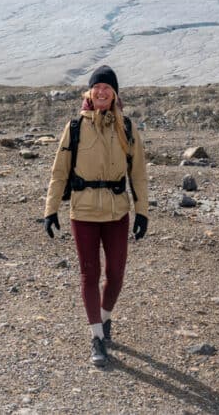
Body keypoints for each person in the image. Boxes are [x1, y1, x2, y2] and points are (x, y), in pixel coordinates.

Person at [43, 64, 149, 367]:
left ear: (114, 94)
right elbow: (59, 172)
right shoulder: (75, 127)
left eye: (107, 87)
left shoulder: (127, 127)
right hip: (84, 211)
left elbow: (138, 173)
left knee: (115, 275)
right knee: (89, 274)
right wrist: (50, 211)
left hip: (117, 212)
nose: (101, 91)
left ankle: (104, 318)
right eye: (97, 87)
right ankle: (97, 337)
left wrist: (142, 212)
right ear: (89, 92)